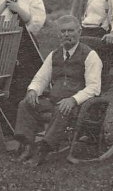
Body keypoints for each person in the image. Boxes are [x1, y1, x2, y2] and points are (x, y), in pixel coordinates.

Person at [12, 15, 102, 166]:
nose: (67, 34)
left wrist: (73, 100)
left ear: (79, 32)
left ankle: (43, 150)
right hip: (54, 101)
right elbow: (41, 78)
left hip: (77, 106)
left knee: (62, 109)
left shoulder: (90, 55)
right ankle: (28, 146)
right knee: (25, 104)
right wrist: (33, 90)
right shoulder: (54, 55)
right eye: (63, 31)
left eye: (71, 31)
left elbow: (94, 87)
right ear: (58, 35)